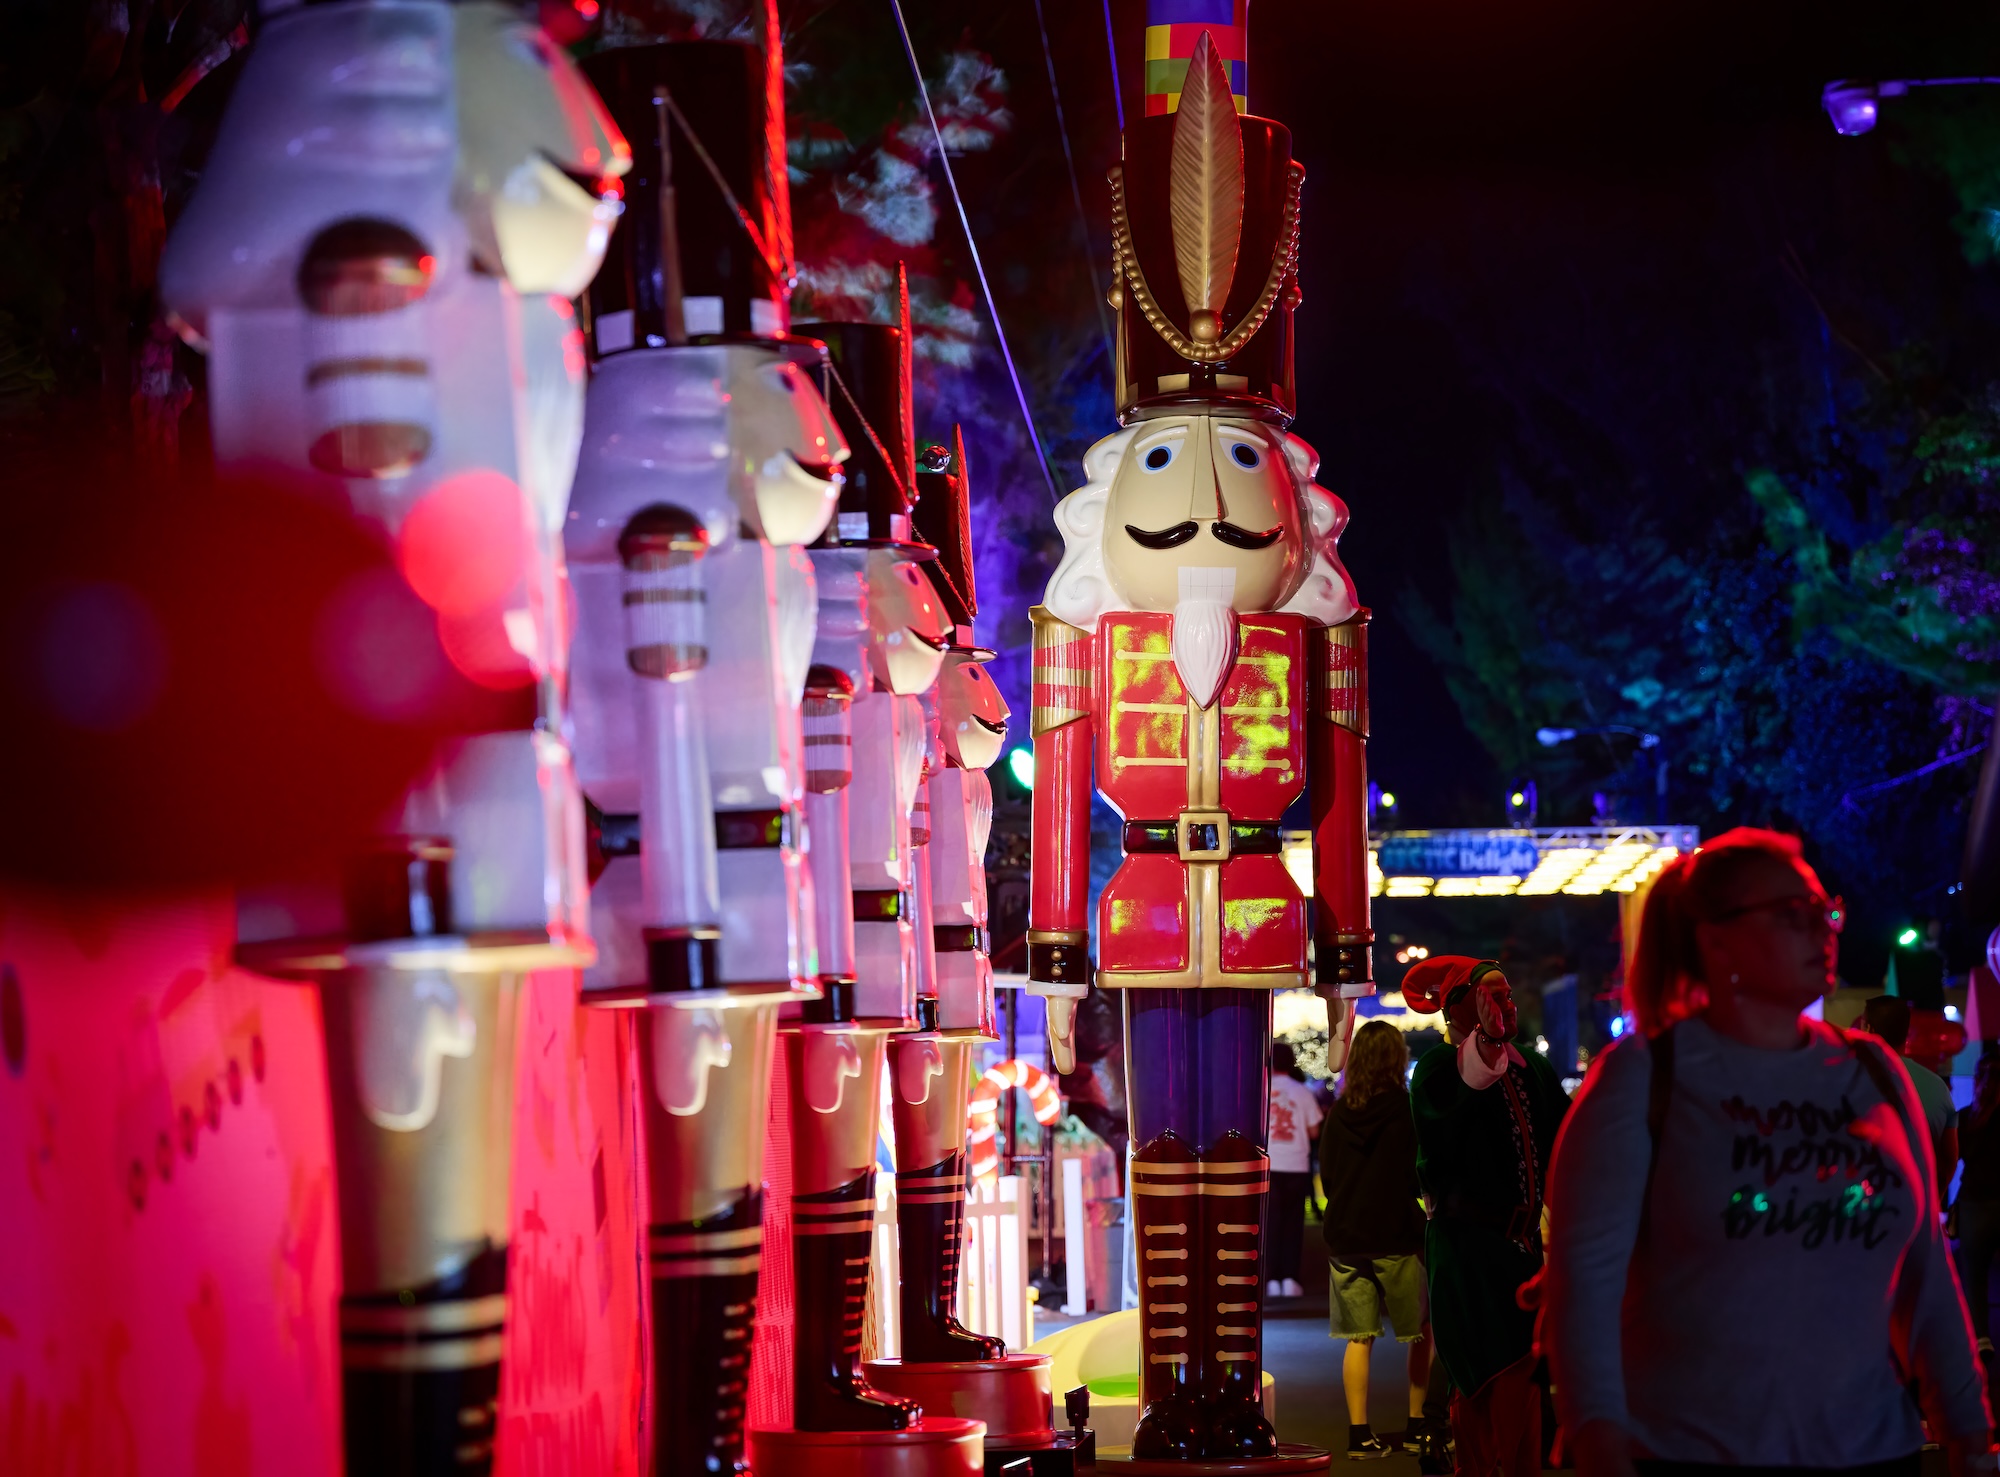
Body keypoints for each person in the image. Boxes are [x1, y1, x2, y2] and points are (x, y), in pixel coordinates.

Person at [1542, 827, 1993, 1477]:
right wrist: (1598, 1438)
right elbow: (1582, 1288)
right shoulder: (1642, 1077)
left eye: (1823, 910)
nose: (1824, 929)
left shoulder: (1875, 1071)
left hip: (1875, 1450)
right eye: (1792, 915)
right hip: (1689, 1453)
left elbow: (1926, 1267)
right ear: (1716, 938)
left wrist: (1967, 1423)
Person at [1404, 957, 1570, 1477]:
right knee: (1479, 1378)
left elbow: (1565, 1144)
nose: (1508, 1005)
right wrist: (1487, 1046)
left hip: (1523, 1250)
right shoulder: (1438, 1068)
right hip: (1466, 1249)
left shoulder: (1533, 1067)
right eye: (1492, 997)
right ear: (1461, 1011)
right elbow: (1443, 1140)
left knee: (1523, 1377)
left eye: (1508, 995)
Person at [1320, 1019, 1433, 1461]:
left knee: (1358, 1337)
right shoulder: (1408, 1112)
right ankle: (1416, 1426)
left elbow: (1328, 1177)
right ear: (1396, 1060)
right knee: (1421, 1333)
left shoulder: (1338, 1114)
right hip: (1397, 1235)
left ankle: (1359, 1434)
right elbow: (1416, 1175)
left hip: (1346, 1236)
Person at [1861, 994, 1960, 1191]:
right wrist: (1934, 1199)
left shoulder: (1852, 1080)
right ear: (1906, 1032)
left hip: (1864, 1209)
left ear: (1869, 1030)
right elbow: (1950, 1159)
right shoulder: (1937, 1086)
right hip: (1920, 1206)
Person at [1268, 1040, 1325, 1300]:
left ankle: (1270, 1279)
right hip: (1296, 1167)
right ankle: (1290, 1279)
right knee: (1293, 1225)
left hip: (1268, 1166)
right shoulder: (1302, 1092)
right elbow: (1314, 1130)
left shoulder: (1259, 1090)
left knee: (1270, 1224)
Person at [1957, 1054, 2000, 1360]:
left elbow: (1950, 1160)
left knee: (1975, 1274)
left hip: (1975, 1203)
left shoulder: (1964, 1118)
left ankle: (1982, 1339)